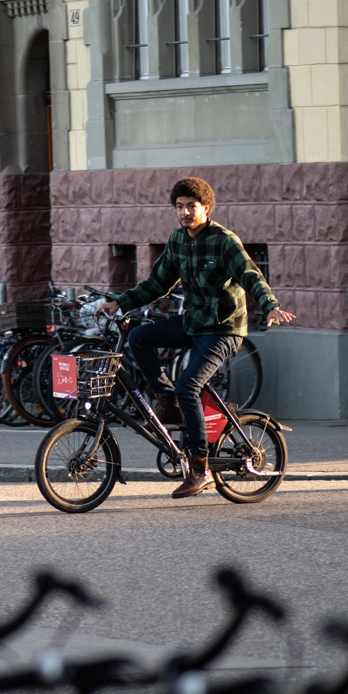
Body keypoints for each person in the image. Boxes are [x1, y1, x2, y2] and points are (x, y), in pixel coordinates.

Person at [99, 177, 293, 499]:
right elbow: (156, 283)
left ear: (206, 208)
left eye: (192, 206)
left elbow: (250, 275)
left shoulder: (224, 241)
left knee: (189, 384)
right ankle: (167, 400)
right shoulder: (177, 241)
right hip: (194, 323)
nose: (185, 212)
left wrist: (270, 306)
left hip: (224, 329)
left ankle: (200, 469)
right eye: (179, 207)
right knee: (139, 338)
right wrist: (120, 302)